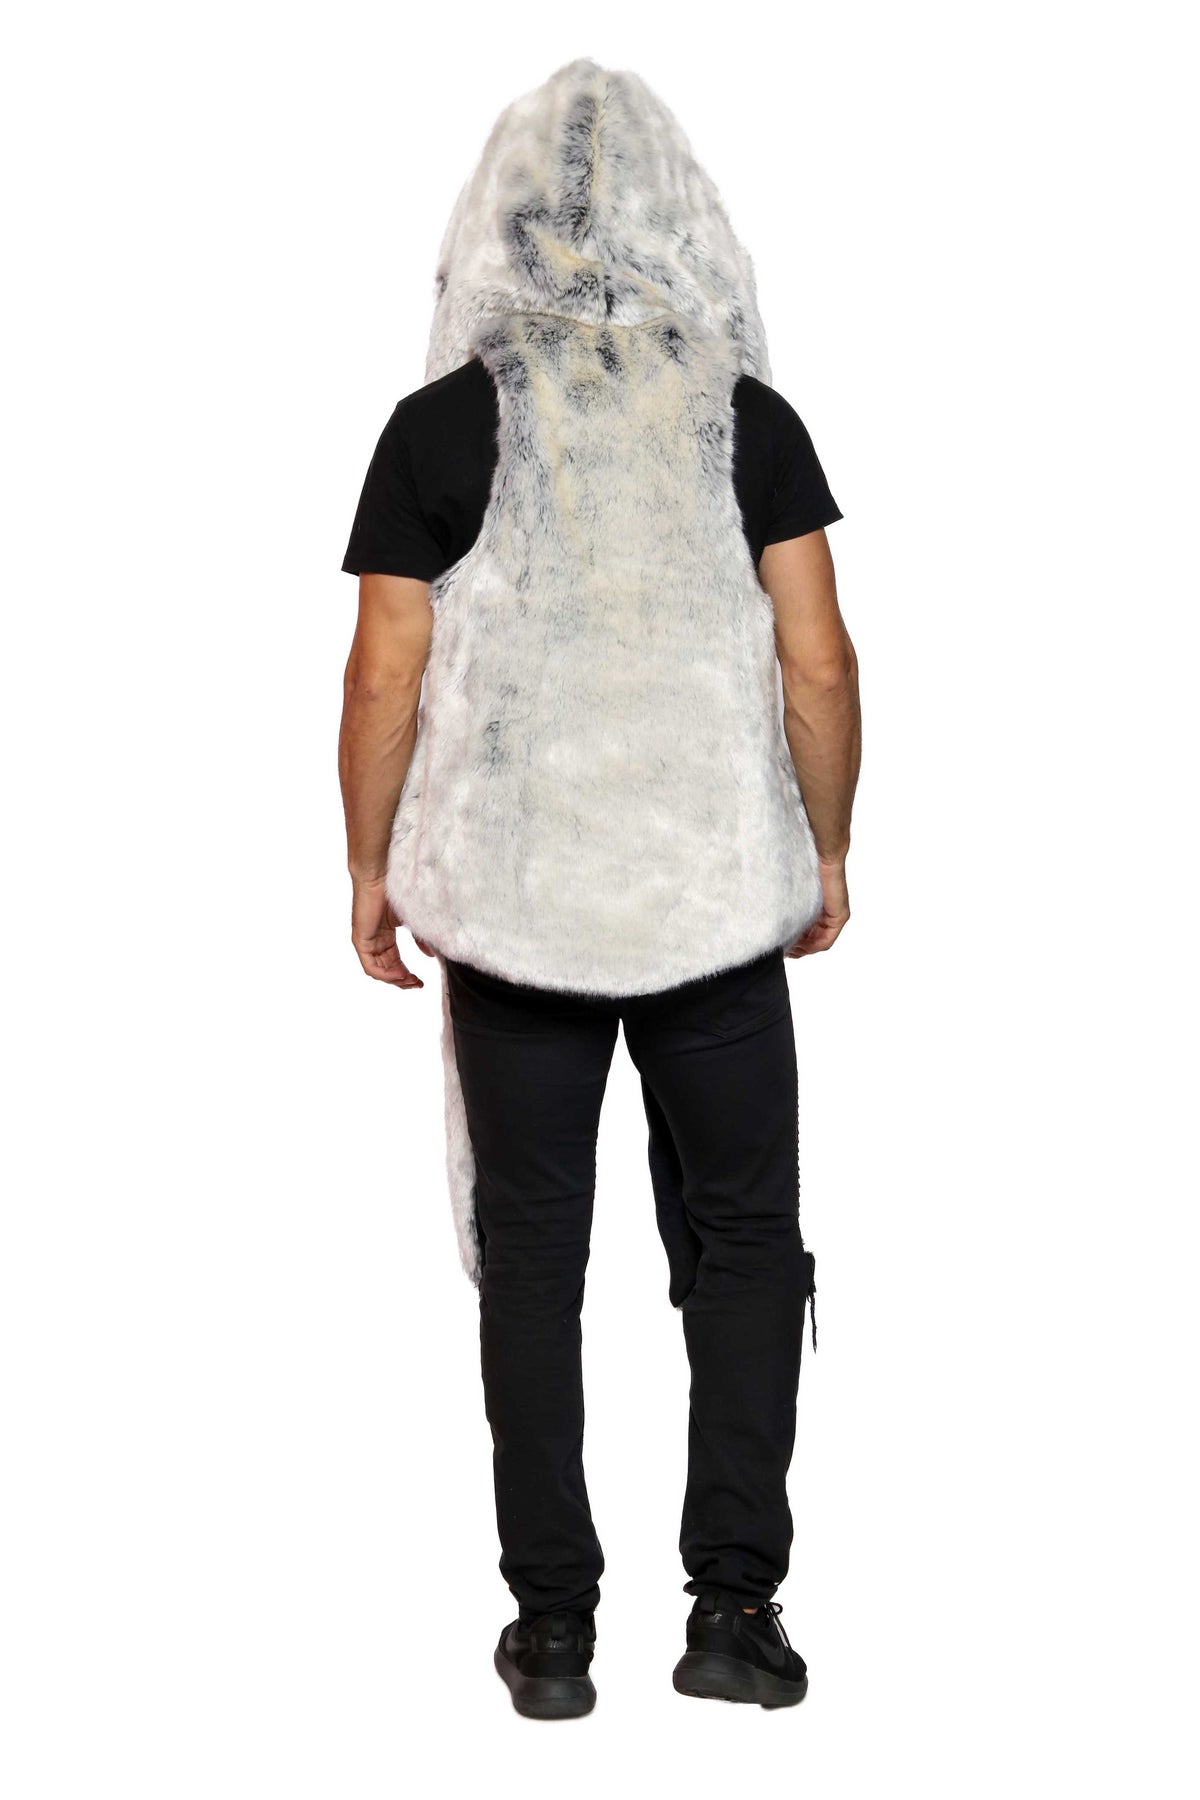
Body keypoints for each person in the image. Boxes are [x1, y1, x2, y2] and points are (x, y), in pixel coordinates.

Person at [338, 58, 860, 1719]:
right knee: (747, 1239)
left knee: (533, 1259)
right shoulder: (745, 419)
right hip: (711, 908)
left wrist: (371, 866)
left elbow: (385, 669)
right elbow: (818, 661)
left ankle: (553, 1632)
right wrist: (825, 847)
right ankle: (735, 1611)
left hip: (521, 914)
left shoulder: (442, 425)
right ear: (688, 219)